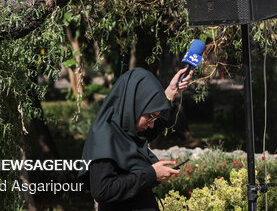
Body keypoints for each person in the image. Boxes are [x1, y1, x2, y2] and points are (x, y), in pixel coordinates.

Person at [79, 66, 192, 211]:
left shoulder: (125, 128)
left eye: (154, 117)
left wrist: (170, 93)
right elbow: (103, 190)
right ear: (135, 105)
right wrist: (151, 174)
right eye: (150, 117)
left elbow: (149, 131)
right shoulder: (105, 136)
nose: (151, 125)